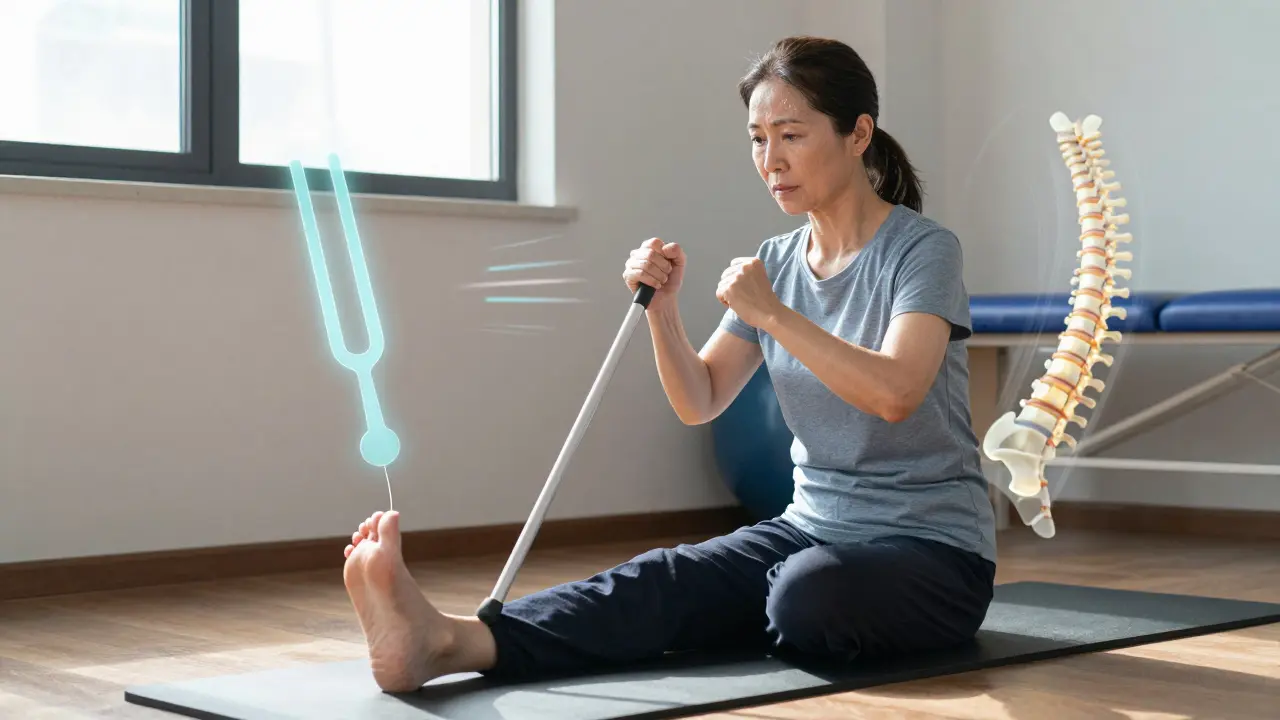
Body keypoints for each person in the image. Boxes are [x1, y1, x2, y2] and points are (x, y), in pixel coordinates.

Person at [340, 35, 997, 693]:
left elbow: (897, 392)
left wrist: (773, 316)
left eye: (791, 135)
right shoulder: (775, 261)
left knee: (806, 596)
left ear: (858, 134)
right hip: (808, 531)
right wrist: (663, 310)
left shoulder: (923, 250)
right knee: (663, 576)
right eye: (757, 139)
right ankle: (447, 641)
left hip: (933, 554)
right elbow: (701, 398)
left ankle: (747, 606)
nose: (771, 160)